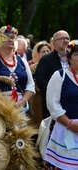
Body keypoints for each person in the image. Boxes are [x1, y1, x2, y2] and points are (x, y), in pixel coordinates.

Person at [44, 40, 78, 170]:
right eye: (77, 54)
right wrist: (70, 124)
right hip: (65, 128)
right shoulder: (60, 75)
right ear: (69, 58)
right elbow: (53, 105)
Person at [0, 25, 35, 112]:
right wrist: (4, 103)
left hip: (20, 107)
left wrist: (22, 101)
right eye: (6, 37)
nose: (10, 39)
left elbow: (30, 85)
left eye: (12, 37)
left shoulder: (22, 61)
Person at [35, 30, 70, 119]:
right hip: (53, 104)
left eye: (67, 38)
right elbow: (40, 79)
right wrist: (56, 91)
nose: (65, 41)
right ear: (54, 44)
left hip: (72, 102)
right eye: (62, 39)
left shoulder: (74, 58)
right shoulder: (46, 59)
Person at [29, 41, 51, 127]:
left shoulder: (53, 66)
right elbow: (32, 83)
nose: (46, 53)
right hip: (37, 99)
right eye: (43, 51)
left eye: (48, 51)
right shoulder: (33, 67)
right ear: (38, 54)